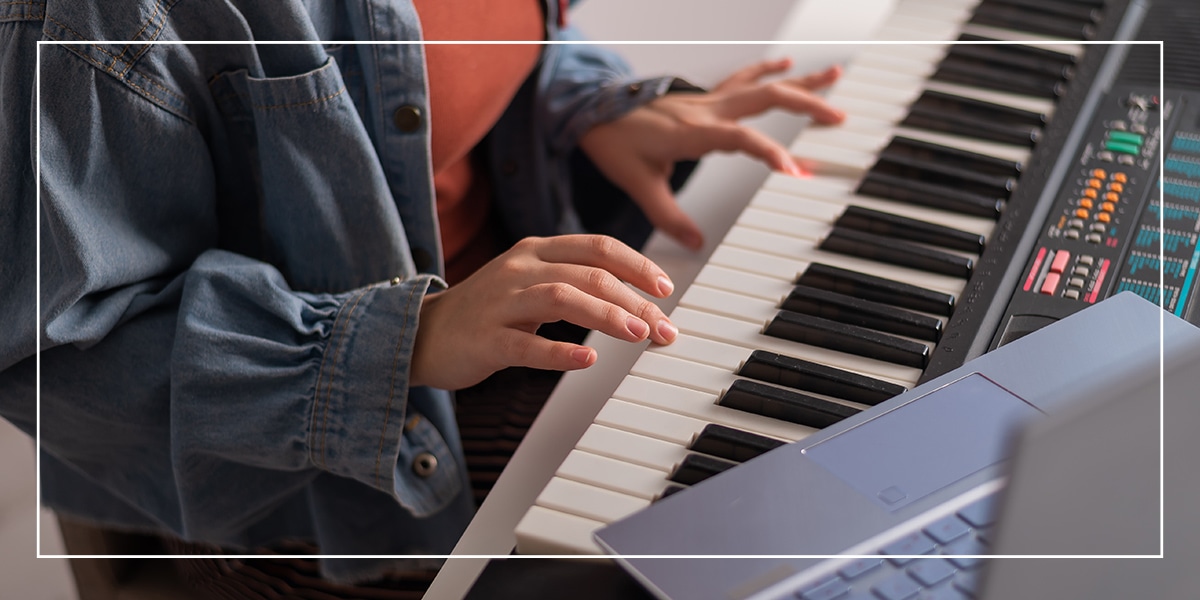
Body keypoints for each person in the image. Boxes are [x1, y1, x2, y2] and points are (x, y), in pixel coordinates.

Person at [0, 0, 844, 592]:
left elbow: (475, 46)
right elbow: (63, 353)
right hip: (321, 489)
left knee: (840, 461)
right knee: (772, 527)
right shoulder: (81, 17)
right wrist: (407, 338)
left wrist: (583, 105)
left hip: (502, 312)